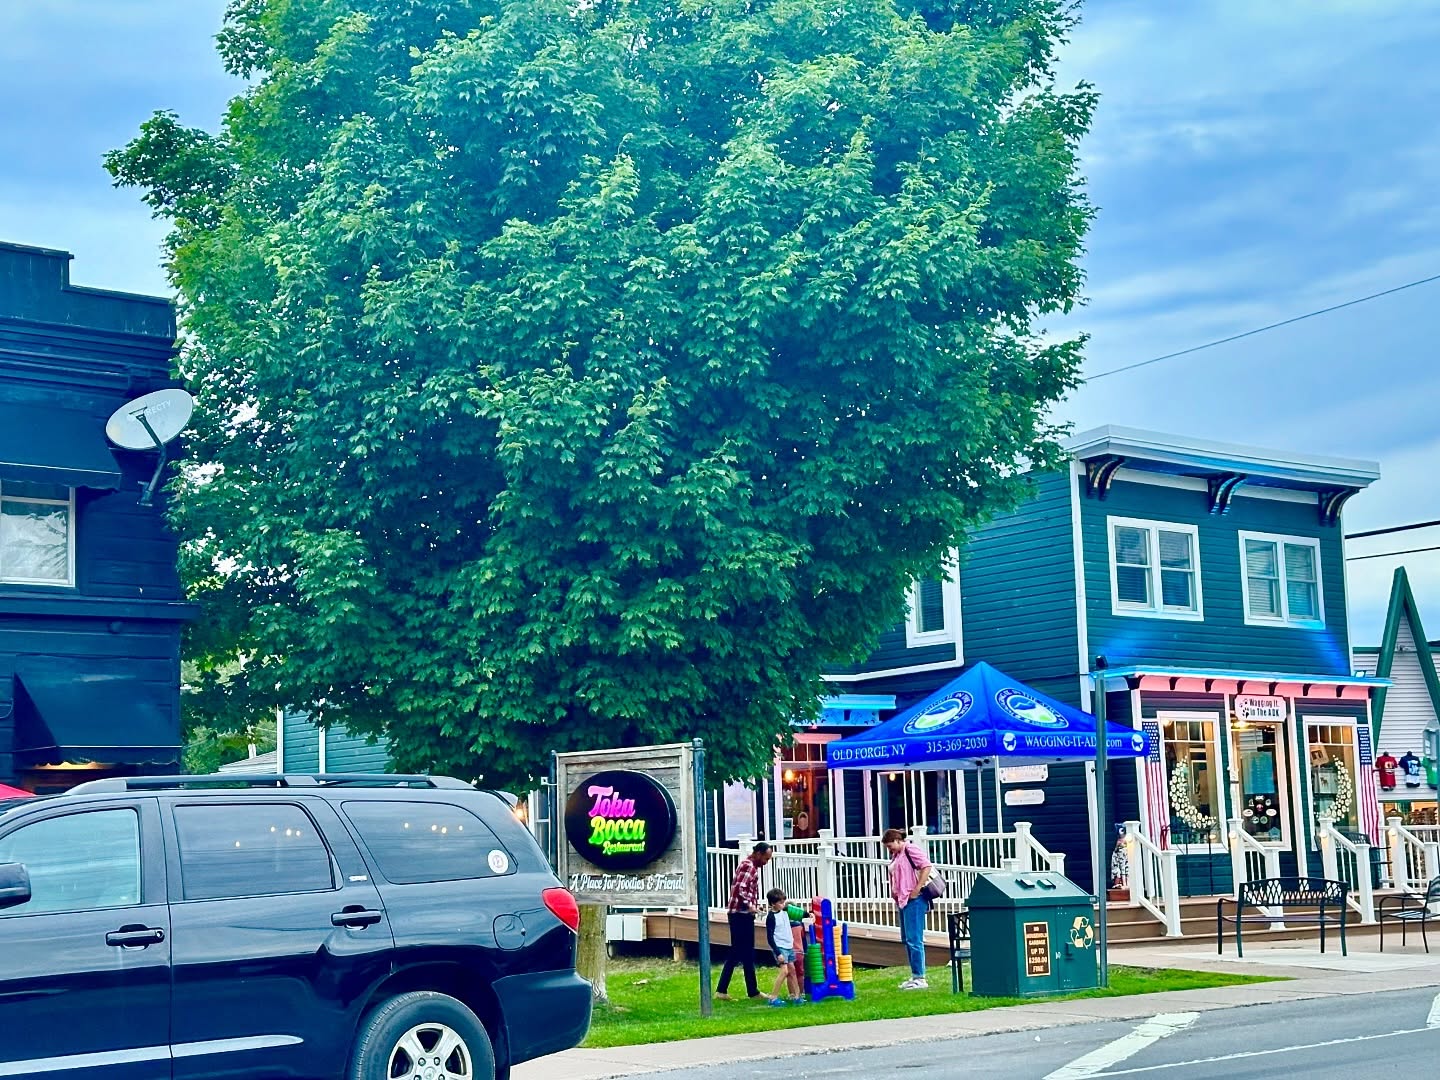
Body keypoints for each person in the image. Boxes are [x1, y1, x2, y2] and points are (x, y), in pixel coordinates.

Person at [715, 842, 772, 1000]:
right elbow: (741, 888)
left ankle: (751, 991)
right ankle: (722, 990)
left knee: (747, 953)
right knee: (738, 951)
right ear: (758, 854)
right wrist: (751, 906)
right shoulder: (749, 866)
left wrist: (755, 905)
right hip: (740, 914)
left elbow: (746, 889)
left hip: (742, 914)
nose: (766, 862)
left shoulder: (748, 865)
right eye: (766, 858)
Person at [883, 827, 933, 990]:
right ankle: (915, 975)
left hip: (915, 899)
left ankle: (920, 977)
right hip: (902, 899)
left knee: (914, 938)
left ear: (898, 841)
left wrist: (917, 888)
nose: (889, 849)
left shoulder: (910, 849)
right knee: (907, 938)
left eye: (890, 845)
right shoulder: (896, 855)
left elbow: (926, 866)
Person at [764, 888, 805, 1006]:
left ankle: (797, 996)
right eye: (780, 903)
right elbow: (770, 938)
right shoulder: (771, 918)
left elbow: (799, 913)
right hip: (780, 947)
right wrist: (778, 953)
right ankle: (773, 997)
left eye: (783, 902)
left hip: (789, 946)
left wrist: (809, 914)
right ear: (773, 904)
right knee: (784, 971)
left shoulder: (786, 911)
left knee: (792, 971)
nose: (783, 904)